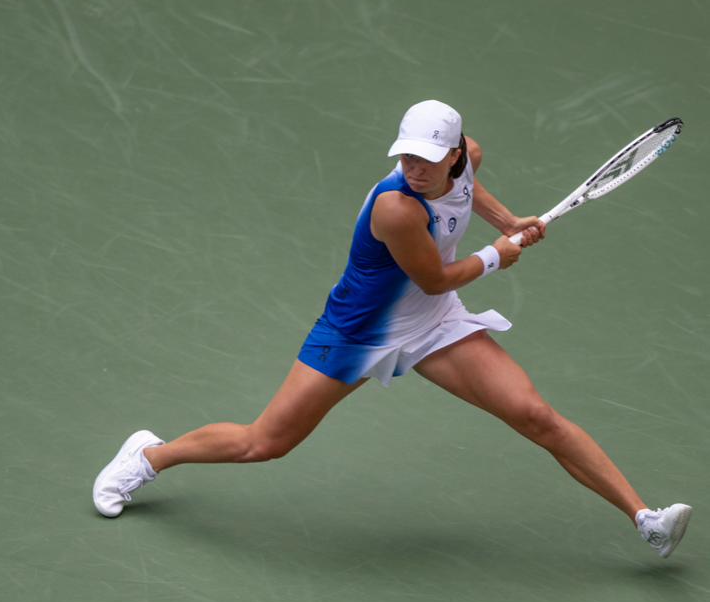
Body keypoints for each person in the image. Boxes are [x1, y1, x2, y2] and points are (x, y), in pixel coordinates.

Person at [92, 99, 691, 560]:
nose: (414, 169)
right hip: (358, 332)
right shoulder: (396, 207)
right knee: (264, 443)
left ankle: (646, 520)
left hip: (433, 325)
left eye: (428, 160)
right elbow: (435, 277)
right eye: (406, 157)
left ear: (456, 152)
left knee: (535, 416)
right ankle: (148, 456)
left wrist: (506, 218)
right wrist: (496, 253)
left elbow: (466, 193)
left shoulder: (464, 161)